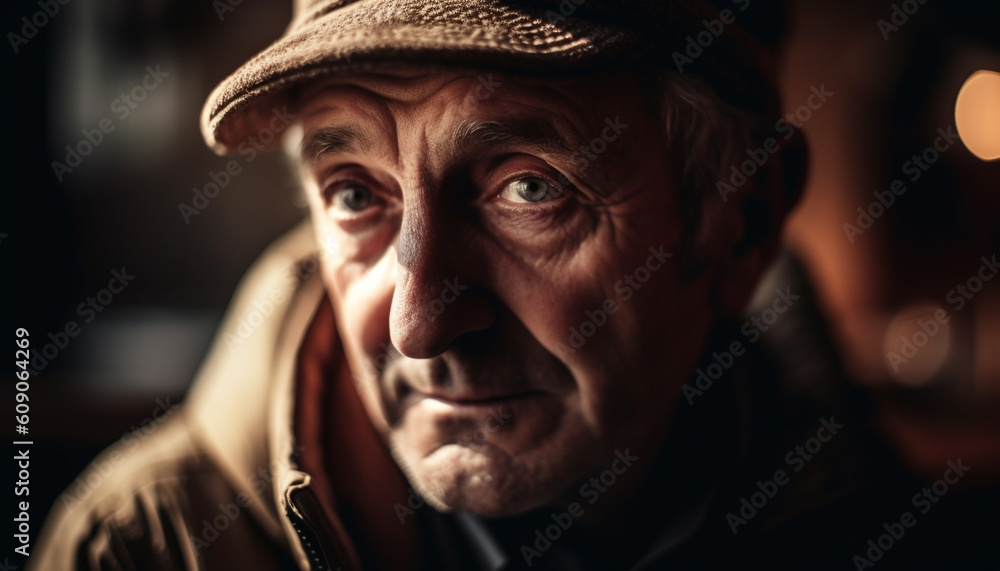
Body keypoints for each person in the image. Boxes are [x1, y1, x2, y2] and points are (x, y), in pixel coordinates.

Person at [32, 1, 963, 570]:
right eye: (356, 194)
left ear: (740, 223)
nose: (418, 322)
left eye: (528, 189)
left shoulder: (905, 537)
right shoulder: (135, 551)